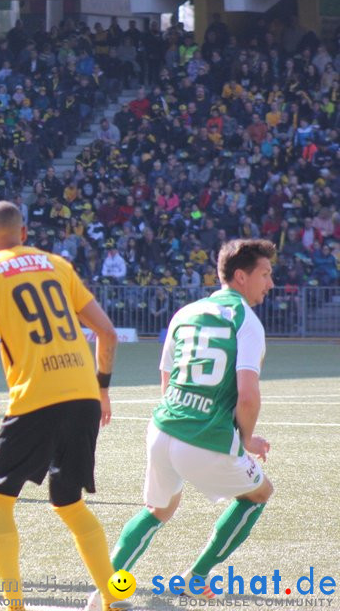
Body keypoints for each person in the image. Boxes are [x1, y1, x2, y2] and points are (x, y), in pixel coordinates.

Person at [0, 201, 119, 611]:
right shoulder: (57, 264)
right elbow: (107, 333)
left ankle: (13, 605)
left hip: (35, 400)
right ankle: (117, 596)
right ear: (24, 233)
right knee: (71, 504)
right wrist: (102, 389)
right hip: (83, 397)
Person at [99, 239, 276, 604]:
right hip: (203, 437)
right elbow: (247, 396)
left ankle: (106, 588)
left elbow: (166, 379)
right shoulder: (247, 322)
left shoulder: (186, 312)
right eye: (265, 274)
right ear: (241, 276)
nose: (270, 283)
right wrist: (244, 440)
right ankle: (195, 577)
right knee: (259, 494)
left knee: (159, 510)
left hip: (163, 428)